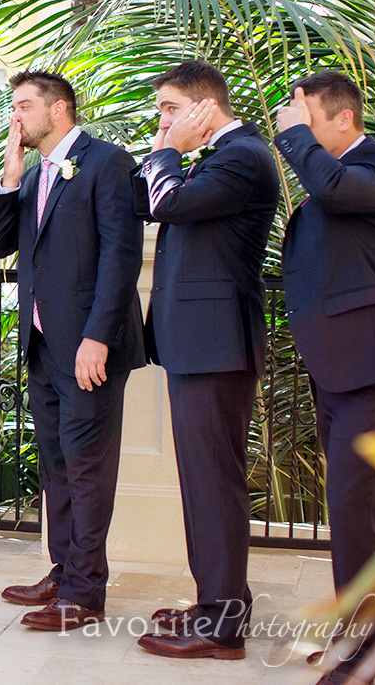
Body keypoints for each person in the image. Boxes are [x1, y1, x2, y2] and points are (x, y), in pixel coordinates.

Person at [275, 71, 375, 685]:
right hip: (348, 372)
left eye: (301, 115)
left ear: (341, 120)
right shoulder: (337, 181)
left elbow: (335, 191)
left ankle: (367, 653)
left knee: (356, 512)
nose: (288, 124)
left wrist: (294, 140)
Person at [0, 70, 145, 631]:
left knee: (86, 468)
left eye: (24, 107)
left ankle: (85, 594)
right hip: (43, 345)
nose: (15, 116)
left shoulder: (108, 162)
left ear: (60, 110)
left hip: (89, 347)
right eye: (13, 106)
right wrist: (9, 172)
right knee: (56, 465)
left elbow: (121, 256)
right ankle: (63, 570)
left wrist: (97, 338)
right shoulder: (31, 177)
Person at [133, 60, 279, 659]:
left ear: (205, 108)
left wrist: (163, 151)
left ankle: (223, 626)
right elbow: (156, 200)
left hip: (216, 342)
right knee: (203, 479)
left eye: (169, 109)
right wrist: (168, 151)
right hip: (200, 341)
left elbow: (162, 201)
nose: (161, 123)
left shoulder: (242, 156)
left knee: (213, 482)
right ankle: (217, 599)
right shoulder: (220, 159)